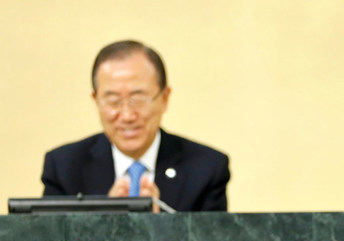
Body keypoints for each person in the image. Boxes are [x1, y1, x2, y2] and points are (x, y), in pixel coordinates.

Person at [42, 40, 230, 212]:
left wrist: (160, 227)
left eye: (138, 100)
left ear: (164, 98)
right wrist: (103, 224)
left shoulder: (206, 168)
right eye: (113, 101)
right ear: (96, 101)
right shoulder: (64, 167)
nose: (127, 116)